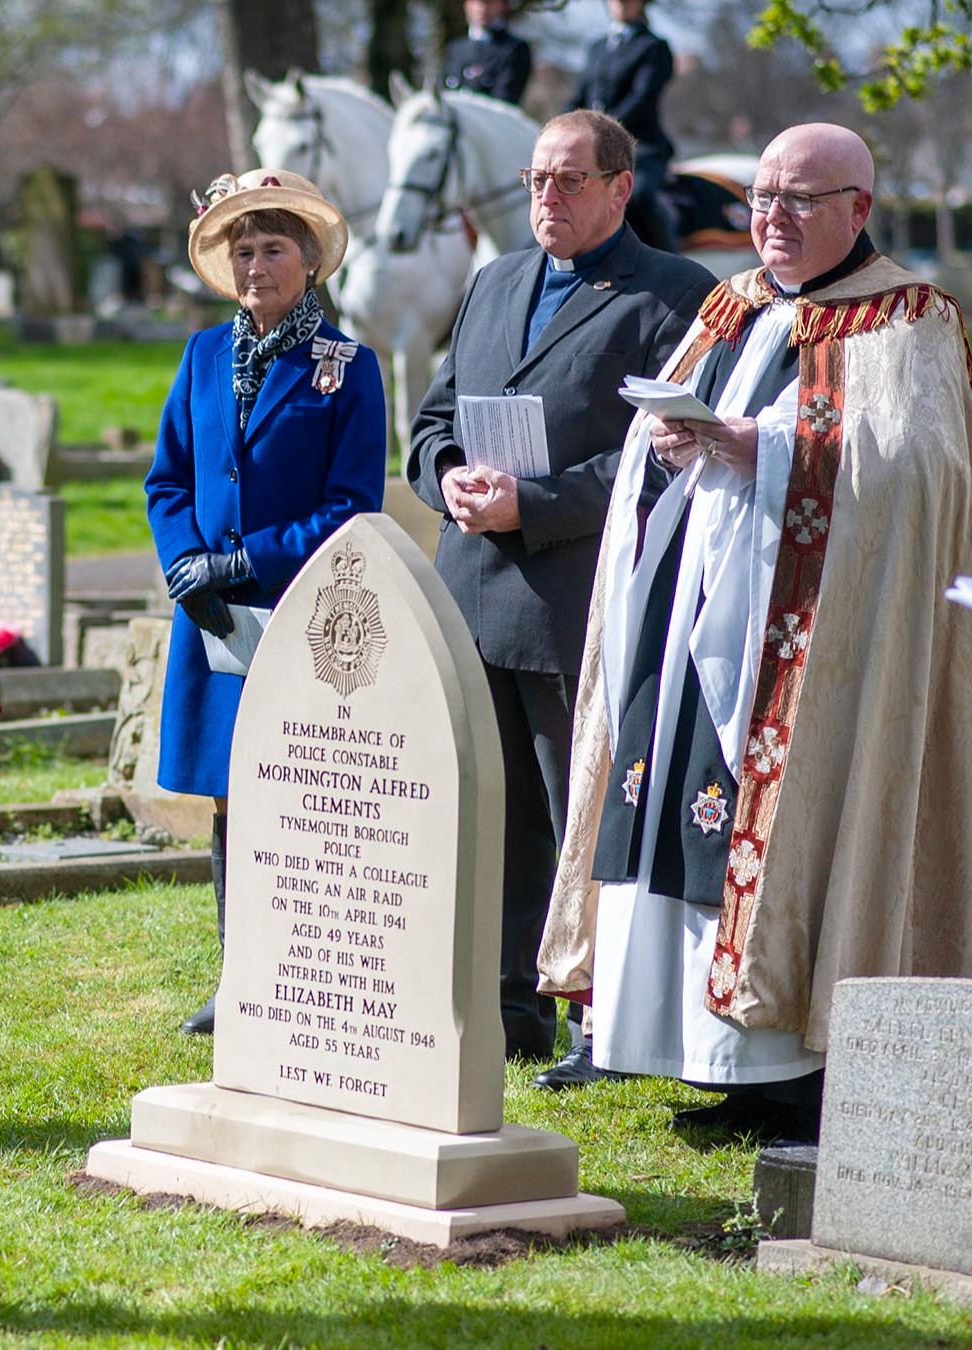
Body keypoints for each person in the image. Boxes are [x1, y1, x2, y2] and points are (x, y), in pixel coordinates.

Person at [537, 123, 972, 1141]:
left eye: (799, 201)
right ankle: (683, 1046)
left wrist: (765, 446)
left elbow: (922, 476)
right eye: (761, 201)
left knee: (762, 821)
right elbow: (675, 433)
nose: (771, 220)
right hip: (687, 606)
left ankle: (782, 1069)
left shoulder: (905, 319)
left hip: (812, 645)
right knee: (667, 806)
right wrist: (666, 437)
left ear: (857, 210)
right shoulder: (731, 303)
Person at [404, 109, 713, 1086]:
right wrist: (447, 473)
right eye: (538, 178)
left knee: (575, 807)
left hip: (578, 592)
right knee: (483, 810)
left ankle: (600, 1019)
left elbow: (659, 457)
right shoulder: (493, 282)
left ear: (621, 189)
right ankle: (505, 1004)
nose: (547, 196)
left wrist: (530, 503)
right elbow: (434, 416)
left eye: (570, 180)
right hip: (469, 589)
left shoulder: (675, 296)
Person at [147, 168, 387, 1035]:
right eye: (242, 250)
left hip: (295, 614)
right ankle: (237, 975)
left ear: (311, 260)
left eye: (274, 249)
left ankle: (303, 970)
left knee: (295, 792)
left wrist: (245, 556)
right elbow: (168, 477)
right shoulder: (204, 355)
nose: (255, 265)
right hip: (209, 620)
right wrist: (185, 560)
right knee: (227, 796)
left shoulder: (349, 368)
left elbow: (352, 506)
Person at [568, 0, 677, 250]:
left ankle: (671, 264)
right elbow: (578, 95)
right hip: (591, 143)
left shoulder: (654, 47)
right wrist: (561, 126)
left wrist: (597, 130)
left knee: (640, 196)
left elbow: (642, 100)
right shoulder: (596, 47)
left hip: (640, 146)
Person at [442, 0, 533, 105]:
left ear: (502, 5)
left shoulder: (513, 49)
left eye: (489, 2)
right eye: (475, 2)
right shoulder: (455, 49)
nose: (481, 8)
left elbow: (503, 103)